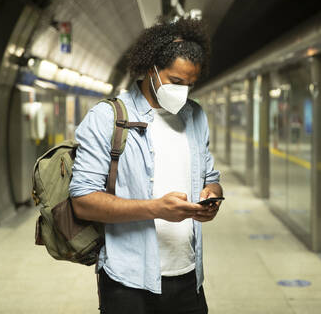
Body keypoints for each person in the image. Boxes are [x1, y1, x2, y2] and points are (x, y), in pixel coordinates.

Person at [69, 17, 222, 314]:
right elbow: (83, 202)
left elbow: (211, 177)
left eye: (190, 84)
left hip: (189, 275)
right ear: (151, 68)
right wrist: (157, 209)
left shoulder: (195, 117)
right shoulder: (107, 118)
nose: (183, 92)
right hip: (129, 281)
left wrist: (211, 196)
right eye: (176, 82)